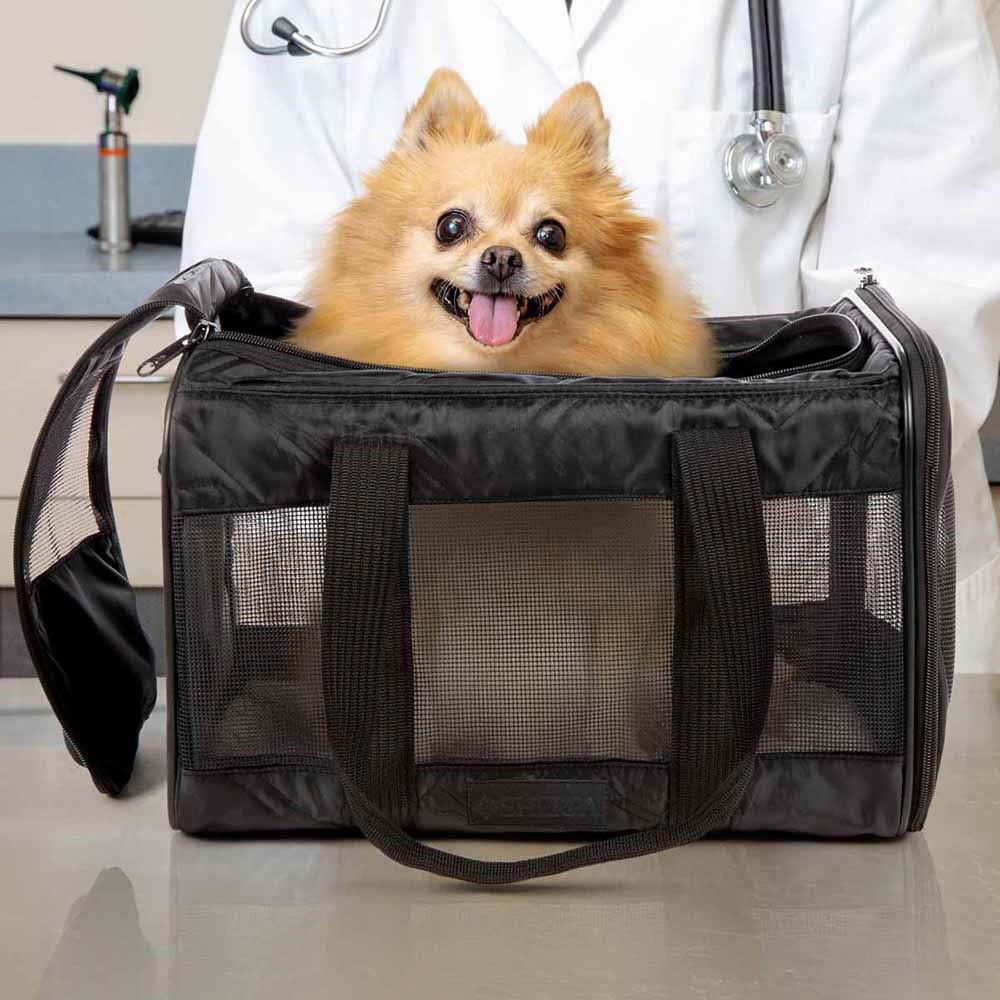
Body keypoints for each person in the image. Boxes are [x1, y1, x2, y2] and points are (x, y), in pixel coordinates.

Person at [182, 0, 1000, 672]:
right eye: (458, 228)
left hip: (800, 604)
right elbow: (252, 327)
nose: (499, 257)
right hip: (381, 613)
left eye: (544, 237)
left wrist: (694, 464)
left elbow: (923, 330)